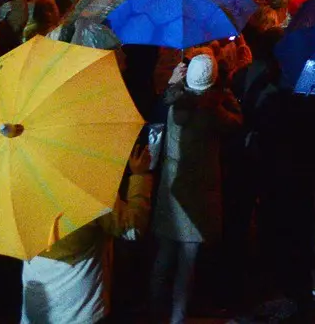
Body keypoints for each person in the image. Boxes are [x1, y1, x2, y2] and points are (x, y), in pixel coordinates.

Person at [149, 52, 243, 324]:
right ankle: (177, 319)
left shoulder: (170, 103)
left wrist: (172, 84)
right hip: (199, 197)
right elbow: (237, 121)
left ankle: (155, 314)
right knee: (186, 268)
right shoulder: (214, 113)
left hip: (171, 189)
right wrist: (224, 92)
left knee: (163, 259)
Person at [18, 138, 154, 324]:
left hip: (34, 312)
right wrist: (140, 176)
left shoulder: (20, 185)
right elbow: (133, 228)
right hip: (81, 312)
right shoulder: (90, 190)